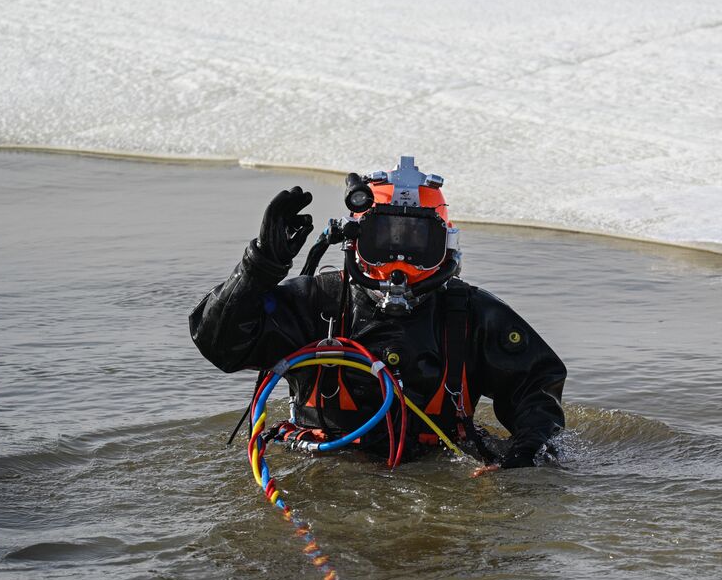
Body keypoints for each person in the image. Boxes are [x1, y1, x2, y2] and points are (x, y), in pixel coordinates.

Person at [190, 157, 566, 474]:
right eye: (382, 241)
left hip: (436, 467)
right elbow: (219, 345)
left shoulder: (470, 316)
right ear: (354, 240)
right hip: (323, 469)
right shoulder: (314, 304)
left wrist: (525, 455)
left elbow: (536, 386)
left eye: (417, 243)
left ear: (446, 244)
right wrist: (259, 268)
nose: (398, 261)